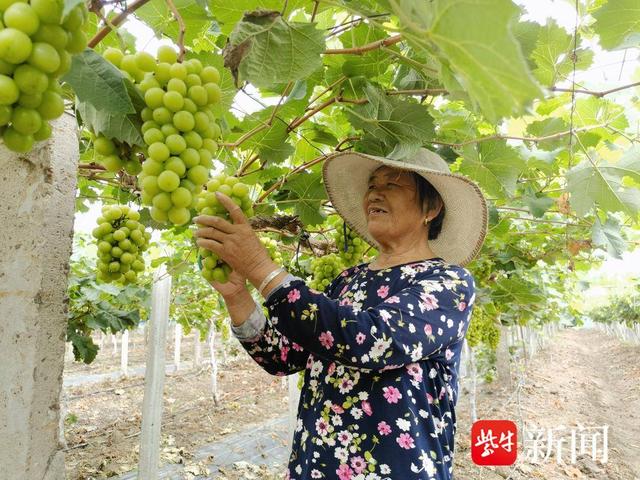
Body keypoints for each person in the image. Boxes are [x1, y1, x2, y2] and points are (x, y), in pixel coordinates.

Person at [193, 147, 488, 480]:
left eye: (392, 184)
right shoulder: (348, 280)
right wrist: (237, 295)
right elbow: (283, 356)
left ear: (430, 208)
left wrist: (262, 268)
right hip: (317, 466)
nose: (374, 192)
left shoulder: (447, 283)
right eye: (372, 184)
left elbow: (373, 341)